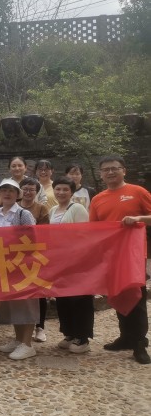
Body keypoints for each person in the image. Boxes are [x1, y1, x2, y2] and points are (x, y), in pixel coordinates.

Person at [90, 156, 151, 365]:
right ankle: (125, 337)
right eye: (105, 169)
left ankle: (140, 343)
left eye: (114, 168)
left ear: (124, 170)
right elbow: (93, 229)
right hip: (111, 256)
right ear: (101, 174)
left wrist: (139, 219)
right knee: (117, 293)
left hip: (134, 256)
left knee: (136, 296)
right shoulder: (98, 199)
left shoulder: (138, 192)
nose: (110, 172)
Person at [0, 180, 39, 360]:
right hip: (4, 265)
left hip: (23, 265)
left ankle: (27, 344)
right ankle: (18, 339)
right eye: (3, 190)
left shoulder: (23, 214)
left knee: (27, 303)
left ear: (17, 194)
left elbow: (33, 239)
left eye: (11, 190)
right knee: (13, 303)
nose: (7, 193)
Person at [49, 176, 93, 354]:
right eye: (58, 189)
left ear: (72, 192)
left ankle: (82, 338)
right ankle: (69, 333)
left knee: (80, 299)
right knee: (63, 298)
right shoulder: (52, 210)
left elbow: (84, 235)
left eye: (65, 189)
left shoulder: (77, 208)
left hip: (77, 262)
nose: (61, 192)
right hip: (59, 262)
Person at [18, 177, 50, 343]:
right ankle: (22, 328)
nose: (28, 192)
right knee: (20, 291)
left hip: (35, 254)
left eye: (32, 190)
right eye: (25, 189)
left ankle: (40, 326)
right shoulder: (14, 207)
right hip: (16, 255)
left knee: (38, 291)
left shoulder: (41, 208)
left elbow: (44, 232)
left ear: (37, 192)